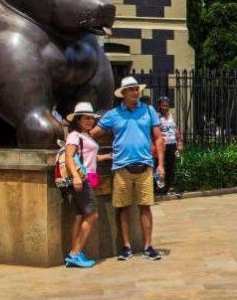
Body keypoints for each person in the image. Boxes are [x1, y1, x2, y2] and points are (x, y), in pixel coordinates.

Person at [93, 77, 165, 261]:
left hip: (145, 165)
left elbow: (158, 138)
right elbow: (93, 134)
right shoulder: (114, 114)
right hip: (122, 166)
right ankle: (126, 246)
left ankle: (148, 245)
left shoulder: (149, 111)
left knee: (145, 206)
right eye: (131, 89)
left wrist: (161, 165)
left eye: (136, 89)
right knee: (123, 208)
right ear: (123, 93)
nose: (135, 92)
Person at [62, 102, 109, 267]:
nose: (90, 121)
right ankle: (75, 253)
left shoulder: (85, 136)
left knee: (80, 216)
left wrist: (106, 157)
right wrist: (75, 176)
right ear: (78, 119)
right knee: (92, 215)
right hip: (82, 179)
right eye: (86, 118)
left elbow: (87, 158)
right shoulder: (75, 135)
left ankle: (73, 253)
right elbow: (69, 157)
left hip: (87, 177)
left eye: (91, 118)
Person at [155, 96, 182, 197]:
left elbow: (176, 129)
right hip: (163, 145)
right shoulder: (157, 117)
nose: (165, 107)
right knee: (160, 166)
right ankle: (160, 188)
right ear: (159, 106)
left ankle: (169, 186)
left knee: (171, 166)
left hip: (172, 144)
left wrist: (179, 142)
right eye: (163, 106)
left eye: (167, 105)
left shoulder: (171, 115)